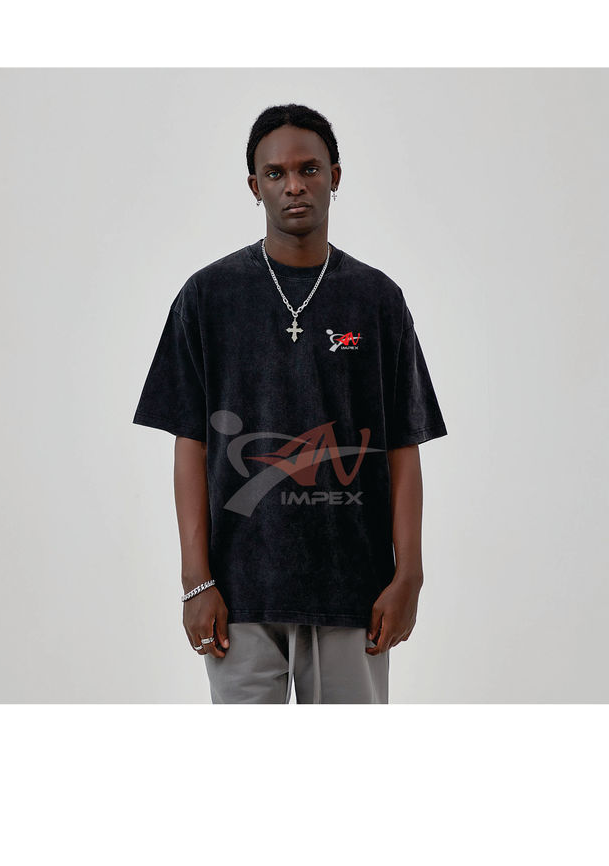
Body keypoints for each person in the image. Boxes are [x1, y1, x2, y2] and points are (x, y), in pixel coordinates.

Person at [132, 103, 447, 703]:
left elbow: (403, 445)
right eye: (275, 173)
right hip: (240, 595)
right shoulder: (208, 297)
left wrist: (409, 573)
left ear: (335, 176)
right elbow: (190, 444)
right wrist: (195, 581)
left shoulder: (377, 299)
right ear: (255, 186)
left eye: (309, 169)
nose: (294, 185)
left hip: (355, 592)